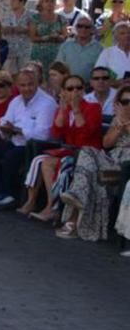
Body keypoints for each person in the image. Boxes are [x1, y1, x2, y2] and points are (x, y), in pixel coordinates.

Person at [15, 73, 100, 222]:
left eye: (78, 88)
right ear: (64, 92)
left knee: (48, 163)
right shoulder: (65, 110)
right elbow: (56, 133)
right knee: (38, 160)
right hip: (70, 151)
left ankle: (51, 207)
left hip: (87, 153)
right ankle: (32, 201)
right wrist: (62, 110)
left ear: (83, 90)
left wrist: (76, 110)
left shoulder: (93, 107)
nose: (75, 92)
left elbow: (86, 134)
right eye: (70, 88)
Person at [57, 85, 130, 240]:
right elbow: (107, 143)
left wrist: (126, 124)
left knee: (87, 174)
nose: (128, 105)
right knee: (87, 152)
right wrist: (119, 125)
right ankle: (76, 196)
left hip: (126, 164)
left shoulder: (123, 118)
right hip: (112, 159)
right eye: (124, 102)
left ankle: (72, 221)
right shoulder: (119, 119)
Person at [0, 68, 58, 210]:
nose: (27, 88)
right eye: (23, 85)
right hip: (15, 140)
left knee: (10, 156)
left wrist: (18, 130)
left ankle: (9, 194)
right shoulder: (16, 101)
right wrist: (5, 127)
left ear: (37, 84)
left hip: (34, 145)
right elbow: (5, 119)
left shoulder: (47, 103)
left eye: (30, 84)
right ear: (17, 86)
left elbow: (43, 134)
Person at [55, 16, 102, 82]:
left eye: (87, 27)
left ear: (92, 29)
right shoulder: (66, 46)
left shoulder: (99, 48)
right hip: (69, 87)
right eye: (80, 26)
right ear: (76, 28)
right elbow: (58, 67)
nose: (83, 29)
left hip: (90, 87)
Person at [29, 0, 67, 68]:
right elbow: (32, 37)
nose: (50, 4)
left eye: (52, 1)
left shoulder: (61, 18)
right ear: (42, 3)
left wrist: (58, 37)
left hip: (56, 53)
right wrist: (44, 38)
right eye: (47, 1)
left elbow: (65, 36)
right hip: (39, 53)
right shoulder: (35, 18)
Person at [4, 0, 32, 73]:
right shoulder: (6, 15)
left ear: (22, 2)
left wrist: (22, 29)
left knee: (26, 74)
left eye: (13, 0)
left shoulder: (32, 15)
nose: (11, 3)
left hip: (26, 52)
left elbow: (34, 30)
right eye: (10, 0)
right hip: (10, 52)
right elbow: (2, 28)